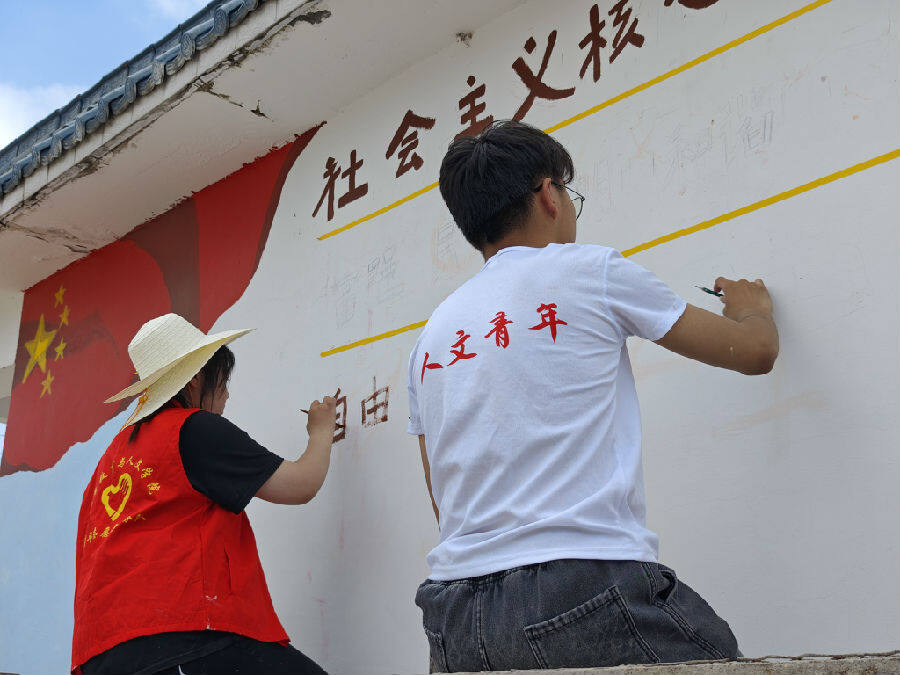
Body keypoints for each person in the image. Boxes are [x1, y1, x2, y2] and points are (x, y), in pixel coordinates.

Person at [407, 120, 779, 672]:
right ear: (548, 195)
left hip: (456, 615)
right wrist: (753, 309)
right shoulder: (591, 271)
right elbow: (754, 353)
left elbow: (444, 492)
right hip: (580, 584)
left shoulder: (431, 337)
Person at [72, 313, 337, 675]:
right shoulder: (194, 429)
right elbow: (300, 484)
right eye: (223, 382)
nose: (226, 395)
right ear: (196, 378)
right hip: (184, 636)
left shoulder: (111, 459)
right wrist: (321, 431)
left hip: (102, 651)